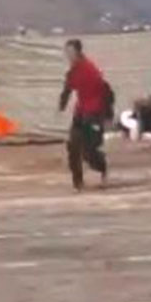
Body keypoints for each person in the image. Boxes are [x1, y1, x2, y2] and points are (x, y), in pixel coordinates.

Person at [59, 39, 112, 191]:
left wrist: (107, 114)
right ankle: (78, 181)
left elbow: (106, 91)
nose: (68, 55)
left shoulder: (90, 69)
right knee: (73, 145)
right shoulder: (72, 71)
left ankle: (102, 168)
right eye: (66, 52)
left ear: (78, 52)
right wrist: (62, 104)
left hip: (95, 113)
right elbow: (68, 88)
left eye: (71, 52)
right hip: (81, 112)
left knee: (89, 151)